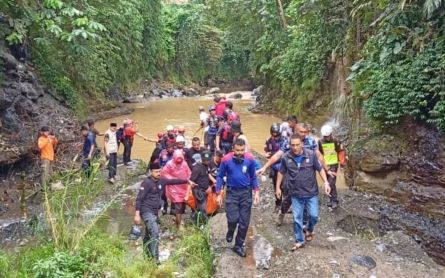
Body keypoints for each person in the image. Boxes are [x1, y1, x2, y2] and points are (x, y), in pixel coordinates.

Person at [275, 135, 331, 251]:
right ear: (289, 145)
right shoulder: (286, 157)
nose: (295, 147)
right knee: (297, 218)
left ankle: (309, 229)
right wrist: (277, 188)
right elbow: (281, 172)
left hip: (311, 192)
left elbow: (320, 169)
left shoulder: (311, 154)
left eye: (297, 145)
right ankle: (299, 240)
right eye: (292, 145)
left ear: (302, 144)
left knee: (314, 216)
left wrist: (326, 182)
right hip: (295, 193)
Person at [134, 162, 190, 263]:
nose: (159, 173)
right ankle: (155, 260)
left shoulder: (161, 180)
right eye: (156, 172)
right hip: (146, 211)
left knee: (148, 234)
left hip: (155, 212)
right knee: (155, 232)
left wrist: (187, 181)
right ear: (151, 172)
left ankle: (146, 256)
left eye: (160, 171)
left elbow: (173, 181)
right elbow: (139, 199)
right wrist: (137, 214)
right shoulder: (146, 183)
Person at [216, 139, 260, 257]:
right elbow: (220, 177)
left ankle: (238, 245)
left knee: (244, 223)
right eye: (237, 150)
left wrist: (256, 191)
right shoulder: (226, 160)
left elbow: (253, 176)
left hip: (246, 193)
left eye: (242, 150)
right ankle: (231, 230)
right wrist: (218, 193)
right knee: (233, 219)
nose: (240, 152)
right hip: (232, 193)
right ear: (233, 149)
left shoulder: (250, 159)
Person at [161, 150, 191, 230]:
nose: (179, 162)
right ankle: (179, 224)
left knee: (183, 204)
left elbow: (188, 173)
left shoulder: (184, 164)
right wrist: (172, 179)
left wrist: (188, 181)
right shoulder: (169, 164)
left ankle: (179, 218)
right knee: (178, 205)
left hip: (183, 186)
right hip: (173, 187)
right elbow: (164, 173)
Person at [318, 124, 345, 209]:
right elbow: (319, 153)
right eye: (325, 136)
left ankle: (334, 200)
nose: (327, 138)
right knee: (327, 182)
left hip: (333, 164)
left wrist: (342, 165)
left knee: (331, 182)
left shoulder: (336, 141)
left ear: (331, 134)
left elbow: (341, 152)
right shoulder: (320, 141)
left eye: (328, 136)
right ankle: (331, 198)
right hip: (325, 164)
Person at [264, 123, 285, 211]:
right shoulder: (269, 140)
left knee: (285, 186)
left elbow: (283, 154)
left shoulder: (284, 141)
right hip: (274, 167)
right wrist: (266, 154)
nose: (275, 138)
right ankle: (278, 204)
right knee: (276, 186)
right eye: (273, 136)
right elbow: (266, 150)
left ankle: (286, 204)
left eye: (277, 136)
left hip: (283, 167)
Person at [189, 151, 212, 225]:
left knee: (200, 208)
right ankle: (202, 224)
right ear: (201, 159)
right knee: (203, 209)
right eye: (205, 160)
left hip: (205, 190)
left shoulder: (206, 166)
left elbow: (206, 176)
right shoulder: (197, 168)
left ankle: (195, 221)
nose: (207, 161)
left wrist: (208, 186)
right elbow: (192, 181)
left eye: (208, 160)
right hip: (199, 191)